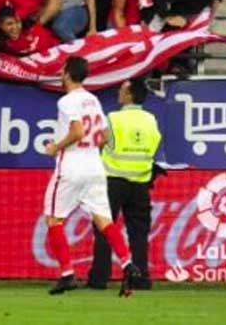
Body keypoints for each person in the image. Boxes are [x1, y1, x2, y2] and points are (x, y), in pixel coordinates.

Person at [42, 56, 141, 296]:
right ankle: (128, 264)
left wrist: (56, 147)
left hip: (72, 166)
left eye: (63, 70)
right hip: (95, 166)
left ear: (67, 74)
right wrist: (89, 150)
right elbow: (105, 136)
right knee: (104, 220)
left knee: (54, 219)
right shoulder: (93, 99)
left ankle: (67, 274)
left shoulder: (67, 101)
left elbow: (77, 131)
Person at [88, 78, 160, 291]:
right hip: (141, 182)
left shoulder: (114, 118)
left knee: (104, 230)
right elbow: (154, 144)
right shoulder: (150, 119)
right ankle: (140, 277)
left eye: (122, 89)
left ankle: (99, 278)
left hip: (113, 181)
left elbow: (100, 142)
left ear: (129, 95)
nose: (119, 92)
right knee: (138, 233)